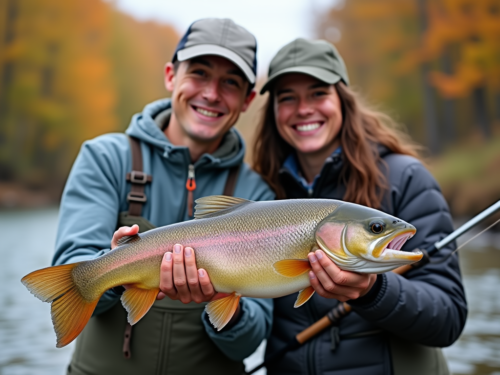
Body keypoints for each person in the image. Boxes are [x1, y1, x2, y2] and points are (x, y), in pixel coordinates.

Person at [52, 18, 274, 375]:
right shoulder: (105, 158)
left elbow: (251, 340)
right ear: (171, 75)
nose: (211, 93)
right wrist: (117, 269)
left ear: (247, 100)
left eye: (230, 82)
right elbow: (73, 266)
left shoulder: (258, 194)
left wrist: (220, 302)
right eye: (199, 73)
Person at [248, 38, 468, 375]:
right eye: (287, 97)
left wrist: (373, 290)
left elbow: (448, 319)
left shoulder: (407, 179)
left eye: (318, 92)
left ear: (343, 100)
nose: (303, 108)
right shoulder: (260, 191)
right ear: (273, 111)